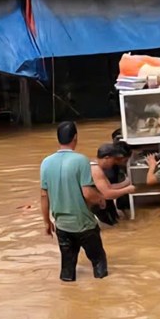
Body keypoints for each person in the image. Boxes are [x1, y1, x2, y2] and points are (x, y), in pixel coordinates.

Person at [40, 121, 109, 282]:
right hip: (84, 224)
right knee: (98, 262)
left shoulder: (46, 162)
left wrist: (47, 222)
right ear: (75, 137)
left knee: (67, 268)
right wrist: (101, 200)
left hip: (62, 225)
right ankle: (103, 290)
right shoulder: (81, 160)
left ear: (58, 139)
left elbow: (44, 196)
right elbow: (87, 193)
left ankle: (68, 293)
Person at [90, 142, 136, 225]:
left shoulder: (97, 167)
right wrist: (127, 190)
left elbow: (110, 187)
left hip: (97, 203)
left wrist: (126, 183)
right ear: (107, 158)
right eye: (114, 159)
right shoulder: (96, 170)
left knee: (115, 225)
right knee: (111, 226)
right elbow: (108, 194)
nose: (115, 162)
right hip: (93, 206)